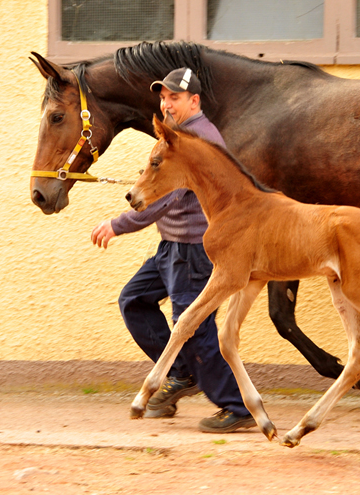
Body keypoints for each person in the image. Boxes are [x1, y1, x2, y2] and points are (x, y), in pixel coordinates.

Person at [91, 68, 255, 433]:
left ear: (194, 101)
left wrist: (117, 225)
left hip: (193, 251)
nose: (166, 104)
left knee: (195, 326)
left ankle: (236, 406)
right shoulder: (176, 135)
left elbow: (163, 199)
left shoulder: (198, 140)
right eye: (163, 97)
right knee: (134, 300)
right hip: (171, 247)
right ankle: (182, 372)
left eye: (174, 98)